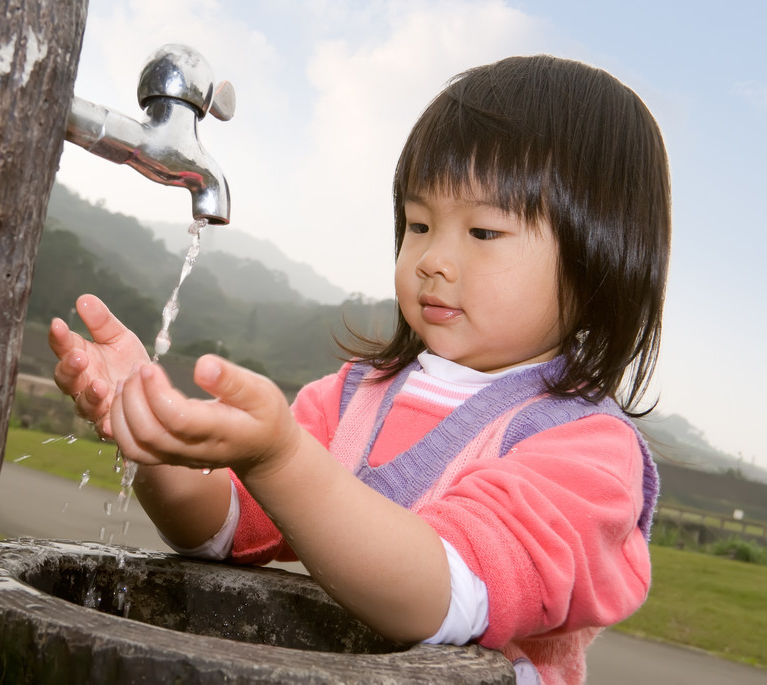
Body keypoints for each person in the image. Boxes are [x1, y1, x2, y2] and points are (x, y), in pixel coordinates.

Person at [49, 54, 670, 685]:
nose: (433, 259)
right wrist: (153, 441)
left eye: (483, 231)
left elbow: (442, 596)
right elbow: (221, 530)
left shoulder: (587, 452)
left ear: (599, 260)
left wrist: (283, 461)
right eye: (419, 223)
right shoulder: (353, 398)